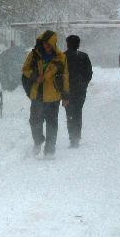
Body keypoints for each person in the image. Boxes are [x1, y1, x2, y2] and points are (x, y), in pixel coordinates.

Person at [22, 30, 69, 159]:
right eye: (44, 44)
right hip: (37, 94)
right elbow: (25, 69)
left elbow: (65, 77)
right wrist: (35, 76)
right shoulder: (34, 55)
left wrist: (65, 96)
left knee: (52, 124)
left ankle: (49, 151)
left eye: (48, 44)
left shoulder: (61, 58)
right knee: (34, 121)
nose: (45, 46)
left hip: (53, 96)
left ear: (53, 44)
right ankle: (38, 141)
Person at [63, 34, 93, 146]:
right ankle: (77, 136)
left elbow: (59, 74)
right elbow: (89, 73)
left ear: (68, 44)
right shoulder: (84, 56)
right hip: (80, 90)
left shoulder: (62, 57)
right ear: (78, 44)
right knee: (78, 112)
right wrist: (84, 84)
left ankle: (72, 137)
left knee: (69, 112)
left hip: (67, 90)